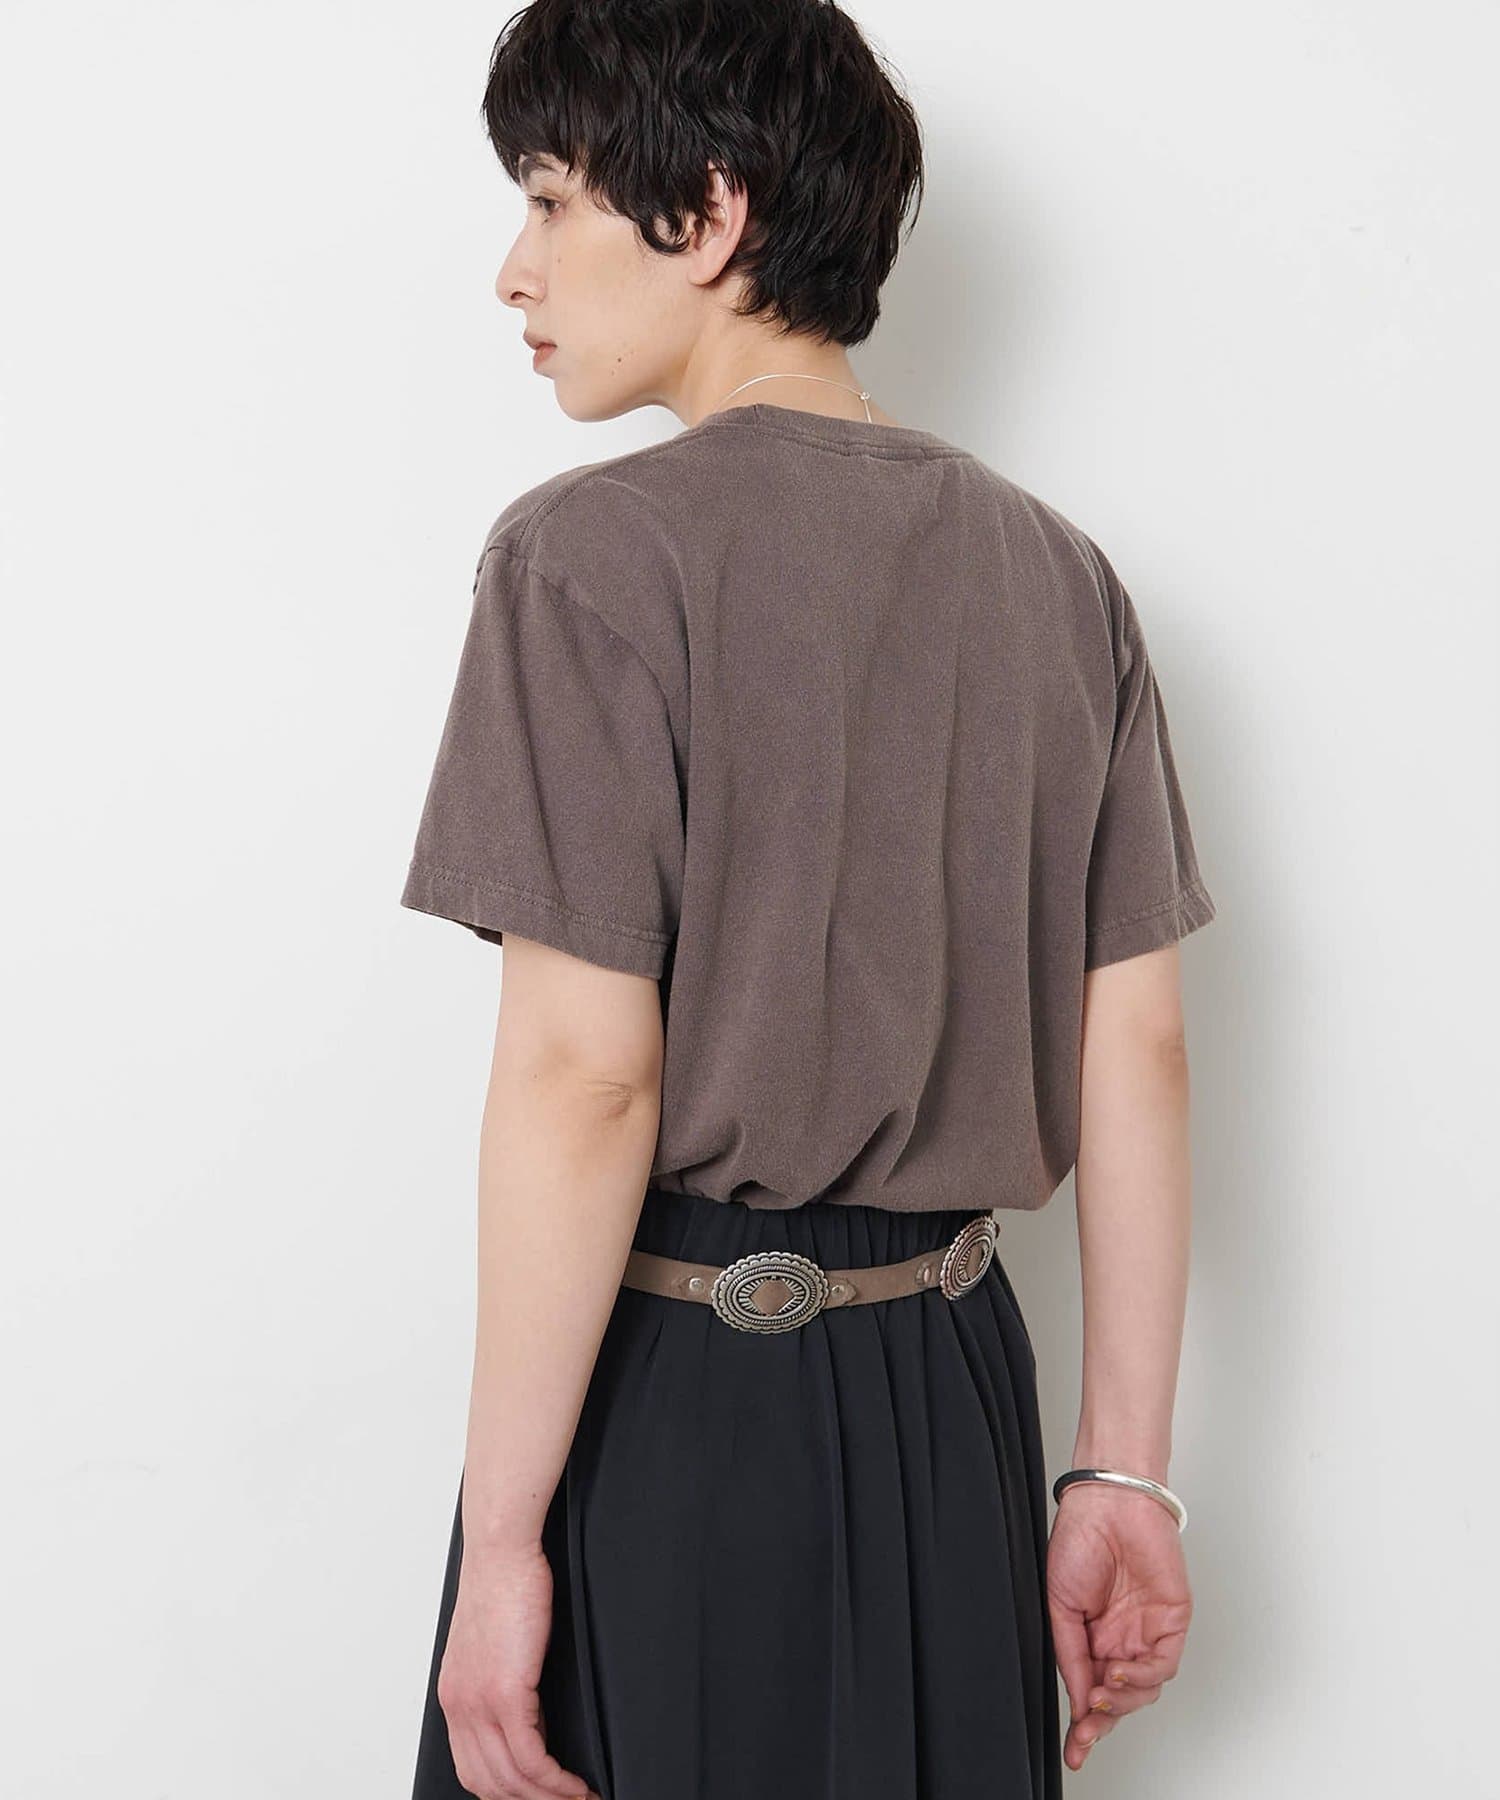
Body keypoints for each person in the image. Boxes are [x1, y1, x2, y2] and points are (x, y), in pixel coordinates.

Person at [397, 3, 1218, 1797]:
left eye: (550, 198)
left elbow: (584, 1080)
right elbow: (1138, 1051)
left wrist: (506, 1540)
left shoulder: (586, 560)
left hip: (675, 1411)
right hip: (963, 1398)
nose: (514, 268)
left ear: (705, 211)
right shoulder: (1064, 581)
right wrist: (1120, 1474)